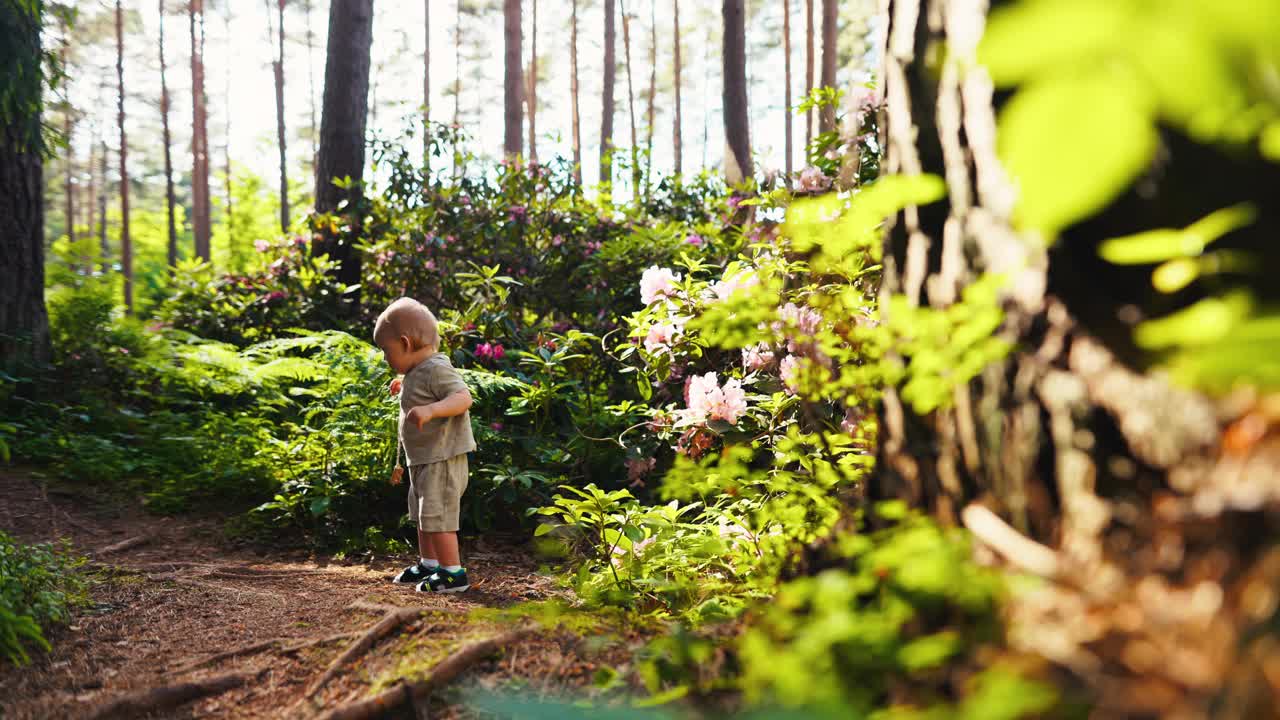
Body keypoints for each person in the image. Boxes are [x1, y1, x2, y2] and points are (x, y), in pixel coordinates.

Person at [373, 297, 476, 593]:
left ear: (405, 343)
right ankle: (429, 563)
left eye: (386, 351)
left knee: (438, 515)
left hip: (442, 458)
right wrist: (403, 384)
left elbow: (462, 398)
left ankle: (453, 573)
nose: (384, 358)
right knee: (423, 514)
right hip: (422, 458)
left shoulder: (436, 368)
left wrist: (431, 411)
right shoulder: (418, 371)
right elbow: (422, 387)